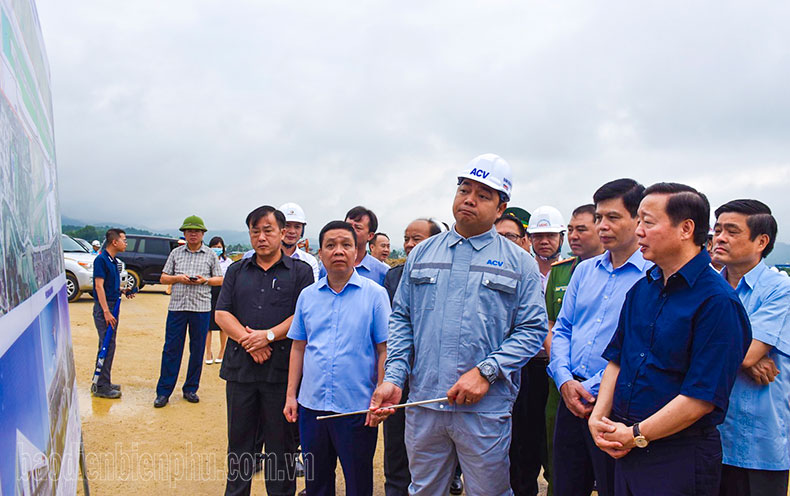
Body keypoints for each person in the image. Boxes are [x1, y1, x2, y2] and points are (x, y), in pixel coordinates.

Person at [370, 153, 548, 495]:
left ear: (500, 209)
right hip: (424, 403)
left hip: (484, 409)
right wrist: (393, 377)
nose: (469, 199)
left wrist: (486, 372)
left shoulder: (519, 264)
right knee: (424, 489)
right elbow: (402, 319)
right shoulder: (422, 255)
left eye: (483, 195)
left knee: (489, 491)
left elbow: (532, 329)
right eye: (464, 189)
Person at [589, 183, 751, 496]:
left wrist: (636, 434)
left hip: (678, 455)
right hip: (625, 445)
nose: (638, 231)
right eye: (638, 221)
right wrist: (599, 417)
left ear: (686, 229)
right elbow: (618, 358)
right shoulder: (643, 289)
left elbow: (701, 398)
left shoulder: (717, 302)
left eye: (648, 222)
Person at [548, 180, 648, 496]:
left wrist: (590, 388)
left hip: (617, 403)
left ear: (638, 219)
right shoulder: (584, 271)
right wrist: (564, 380)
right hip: (570, 396)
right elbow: (563, 329)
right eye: (600, 218)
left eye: (613, 218)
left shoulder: (652, 275)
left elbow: (641, 347)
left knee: (613, 485)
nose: (603, 226)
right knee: (565, 483)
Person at [283, 220, 390, 496]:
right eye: (331, 245)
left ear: (357, 252)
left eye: (346, 245)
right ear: (321, 253)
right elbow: (298, 347)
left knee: (358, 482)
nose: (338, 251)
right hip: (312, 406)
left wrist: (379, 393)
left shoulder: (376, 296)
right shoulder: (307, 296)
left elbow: (383, 350)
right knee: (316, 483)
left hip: (356, 409)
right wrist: (291, 396)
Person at [215, 206, 314, 496]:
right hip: (241, 372)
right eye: (255, 231)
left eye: (267, 230)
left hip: (281, 373)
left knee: (280, 448)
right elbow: (222, 314)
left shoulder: (300, 272)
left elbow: (302, 315)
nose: (261, 237)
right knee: (240, 445)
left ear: (283, 233)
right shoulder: (236, 269)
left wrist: (268, 336)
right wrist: (251, 341)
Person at [712, 200, 790, 496]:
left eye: (731, 231)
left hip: (758, 440)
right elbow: (746, 355)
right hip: (709, 436)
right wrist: (748, 357)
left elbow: (746, 355)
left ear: (761, 241)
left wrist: (747, 356)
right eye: (718, 229)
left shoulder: (778, 289)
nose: (720, 237)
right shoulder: (709, 287)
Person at [381, 218, 448, 496]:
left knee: (435, 442)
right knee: (396, 439)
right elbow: (396, 323)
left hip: (434, 372)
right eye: (406, 238)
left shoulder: (447, 272)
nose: (409, 245)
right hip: (401, 371)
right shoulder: (394, 276)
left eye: (416, 239)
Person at [542, 203, 604, 495]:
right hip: (563, 387)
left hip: (608, 391)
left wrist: (590, 386)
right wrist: (564, 377)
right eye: (570, 230)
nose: (574, 236)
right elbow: (555, 327)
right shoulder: (566, 272)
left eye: (582, 229)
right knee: (564, 471)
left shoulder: (643, 272)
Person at [495, 212, 548, 496]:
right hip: (491, 373)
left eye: (511, 237)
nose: (504, 243)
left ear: (525, 241)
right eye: (498, 237)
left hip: (529, 368)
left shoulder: (529, 272)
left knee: (527, 440)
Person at [154, 215, 223, 408]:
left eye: (197, 231)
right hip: (177, 307)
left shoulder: (210, 255)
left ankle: (191, 388)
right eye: (189, 231)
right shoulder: (176, 253)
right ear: (184, 233)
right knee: (171, 349)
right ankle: (163, 391)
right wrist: (177, 278)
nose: (193, 234)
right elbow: (163, 278)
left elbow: (220, 279)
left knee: (197, 349)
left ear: (202, 234)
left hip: (200, 308)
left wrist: (205, 280)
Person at [91, 228, 134, 399]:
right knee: (106, 344)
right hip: (105, 308)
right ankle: (101, 386)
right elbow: (99, 286)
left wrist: (123, 290)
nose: (126, 243)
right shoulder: (101, 260)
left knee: (111, 344)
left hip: (113, 304)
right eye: (124, 239)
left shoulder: (113, 261)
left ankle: (104, 381)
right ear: (114, 242)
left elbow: (109, 285)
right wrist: (106, 312)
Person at [243, 203, 320, 283]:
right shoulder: (250, 257)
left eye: (297, 227)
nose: (292, 231)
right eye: (287, 225)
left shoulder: (309, 261)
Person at [318, 206, 390, 285]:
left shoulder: (383, 272)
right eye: (348, 226)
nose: (350, 231)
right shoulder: (328, 266)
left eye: (357, 227)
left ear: (370, 236)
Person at [205, 236, 234, 365]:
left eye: (219, 247)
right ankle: (208, 352)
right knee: (207, 326)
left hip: (223, 293)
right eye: (214, 247)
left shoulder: (228, 262)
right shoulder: (205, 260)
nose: (217, 249)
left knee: (223, 325)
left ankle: (222, 351)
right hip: (208, 293)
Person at [527, 206, 566, 291]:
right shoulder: (524, 272)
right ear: (530, 239)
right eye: (538, 236)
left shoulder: (571, 272)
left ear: (561, 239)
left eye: (551, 235)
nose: (544, 241)